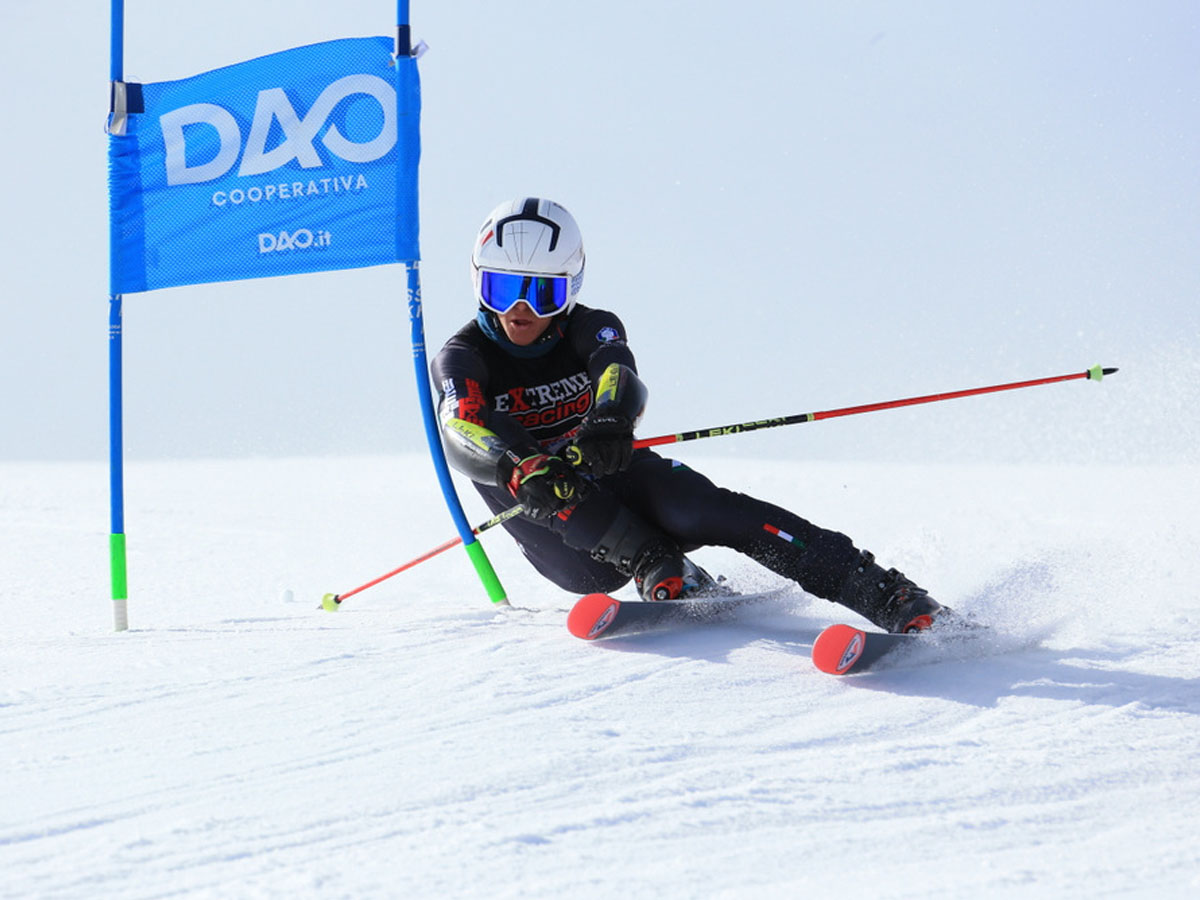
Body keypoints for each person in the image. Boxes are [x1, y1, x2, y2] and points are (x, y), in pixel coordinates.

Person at [431, 197, 949, 633]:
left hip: (609, 471)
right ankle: (650, 558)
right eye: (502, 289)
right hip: (559, 532)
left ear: (573, 286)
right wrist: (518, 466)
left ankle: (883, 592)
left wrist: (610, 420)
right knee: (526, 460)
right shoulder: (463, 357)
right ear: (478, 282)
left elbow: (618, 373)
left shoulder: (592, 327)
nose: (520, 309)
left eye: (543, 292)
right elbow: (460, 427)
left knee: (702, 509)